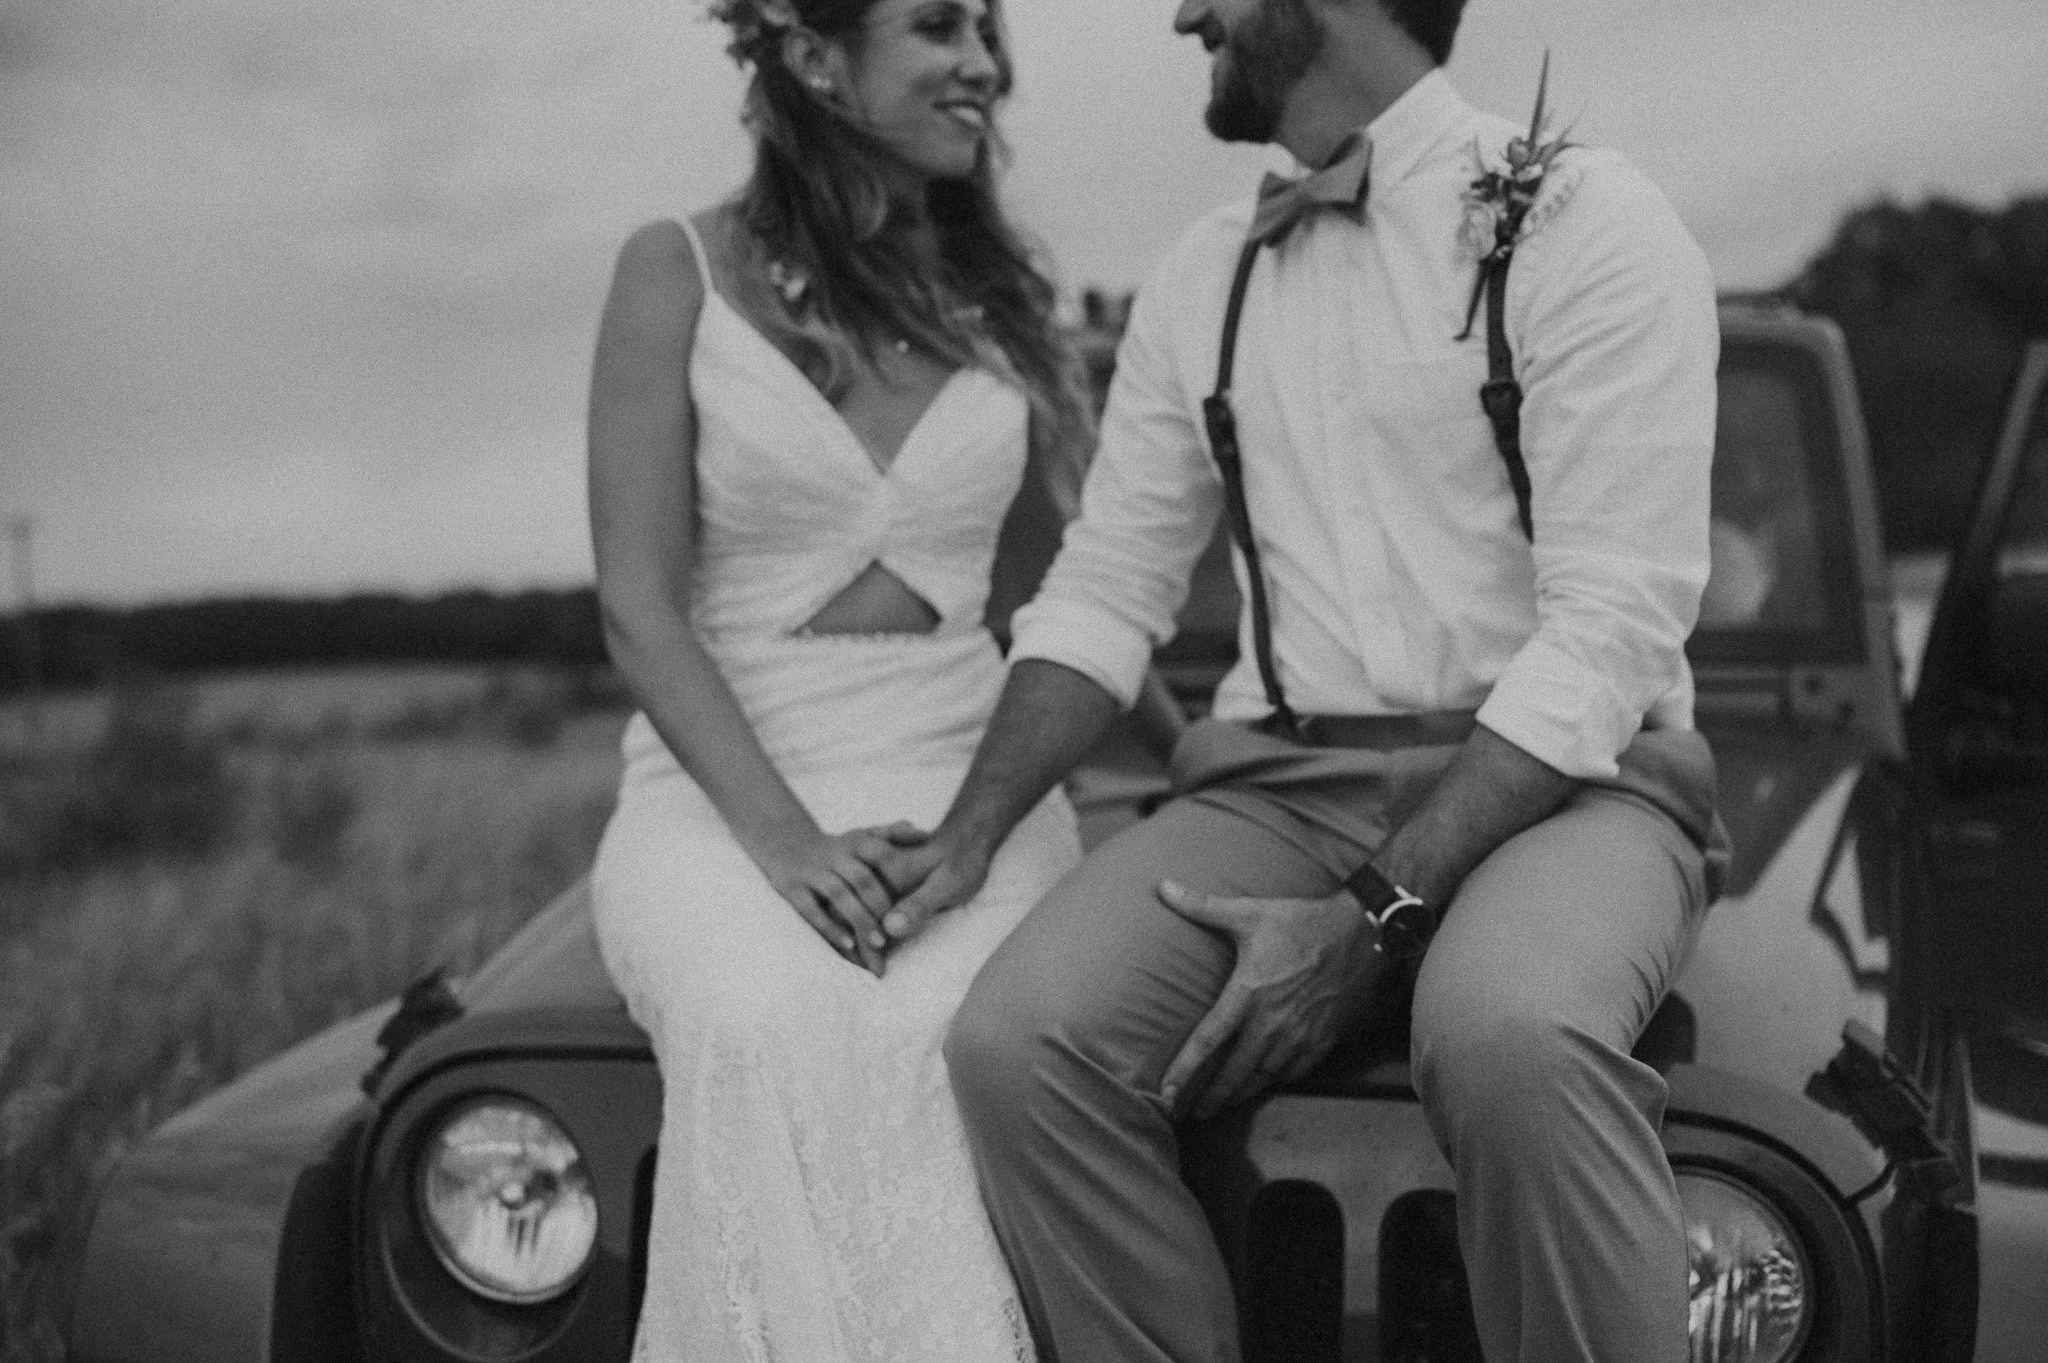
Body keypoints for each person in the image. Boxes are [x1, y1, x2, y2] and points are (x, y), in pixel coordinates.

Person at [874, 1, 1724, 1360]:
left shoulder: (1588, 221)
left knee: (1514, 1036)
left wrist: (1372, 914)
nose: (1184, 14)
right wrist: (970, 832)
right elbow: (1107, 588)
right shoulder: (1201, 276)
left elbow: (1611, 629)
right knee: (1019, 1044)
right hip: (1276, 784)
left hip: (1567, 787)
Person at [582, 1, 1097, 1358]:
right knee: (757, 1015)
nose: (985, 62)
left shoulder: (1003, 302)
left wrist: (1195, 738)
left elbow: (1072, 594)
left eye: (990, 30)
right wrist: (788, 844)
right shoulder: (673, 270)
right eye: (940, 27)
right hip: (731, 780)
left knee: (959, 1028)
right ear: (813, 58)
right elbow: (639, 609)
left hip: (966, 772)